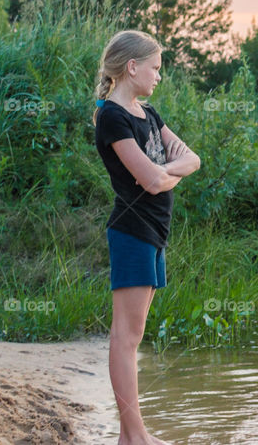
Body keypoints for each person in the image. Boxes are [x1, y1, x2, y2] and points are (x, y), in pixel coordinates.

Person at [92, 30, 200, 445]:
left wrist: (164, 174)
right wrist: (163, 174)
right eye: (154, 68)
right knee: (125, 337)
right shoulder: (113, 117)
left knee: (133, 336)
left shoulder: (148, 113)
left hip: (154, 232)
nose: (159, 76)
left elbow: (192, 159)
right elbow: (151, 178)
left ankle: (131, 436)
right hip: (132, 231)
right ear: (131, 67)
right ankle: (134, 437)